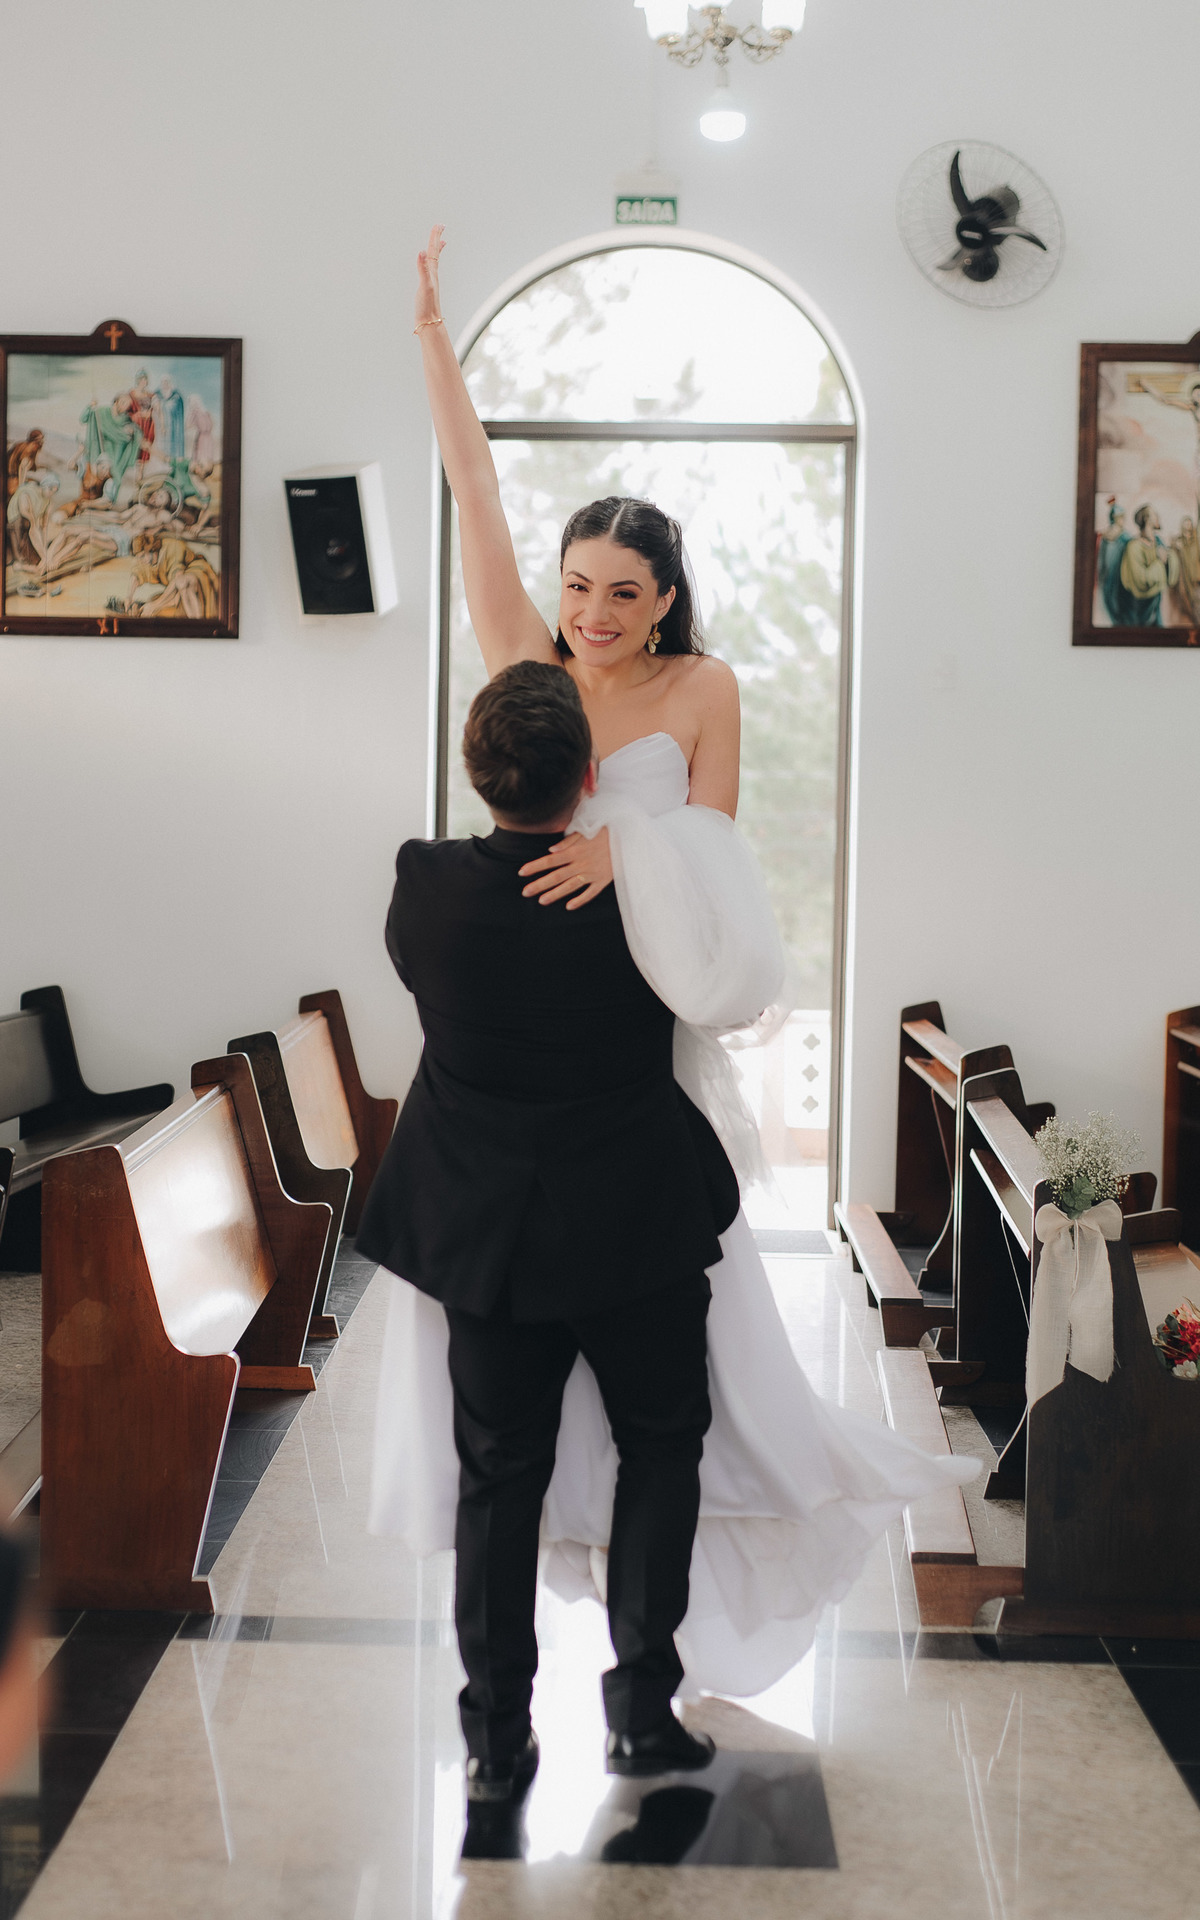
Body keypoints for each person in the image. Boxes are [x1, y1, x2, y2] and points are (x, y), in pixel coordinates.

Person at [367, 225, 978, 1755]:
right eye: (578, 585)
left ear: (663, 600)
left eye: (620, 593)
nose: (590, 611)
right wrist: (434, 334)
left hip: (641, 1031)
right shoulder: (527, 660)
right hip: (533, 1023)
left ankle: (633, 1685)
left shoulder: (704, 690)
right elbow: (475, 492)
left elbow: (717, 863)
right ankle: (536, 1711)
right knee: (563, 1422)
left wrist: (624, 858)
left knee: (670, 1403)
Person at [359, 663, 735, 1855]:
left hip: (489, 1234)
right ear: (590, 777)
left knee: (498, 1476)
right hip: (636, 1220)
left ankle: (493, 1739)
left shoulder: (425, 886)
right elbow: (713, 984)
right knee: (661, 1448)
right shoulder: (641, 893)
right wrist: (641, 855)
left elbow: (426, 980)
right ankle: (639, 1715)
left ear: (478, 773)